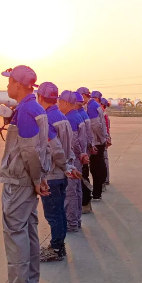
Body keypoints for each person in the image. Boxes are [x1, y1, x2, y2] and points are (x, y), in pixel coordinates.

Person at [0, 65, 49, 283]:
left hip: (20, 182)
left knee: (15, 233)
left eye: (9, 81)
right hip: (29, 180)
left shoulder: (26, 109)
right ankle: (28, 282)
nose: (7, 85)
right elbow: (37, 149)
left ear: (18, 84)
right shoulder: (33, 107)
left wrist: (36, 181)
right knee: (28, 230)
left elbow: (29, 152)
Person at [36, 82, 81, 262]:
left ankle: (55, 248)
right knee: (60, 212)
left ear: (40, 97)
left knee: (53, 214)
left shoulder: (47, 120)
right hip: (61, 174)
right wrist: (68, 166)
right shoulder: (62, 117)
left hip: (53, 175)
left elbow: (56, 149)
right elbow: (67, 147)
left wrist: (63, 165)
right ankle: (59, 246)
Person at [59, 90, 89, 231]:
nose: (58, 104)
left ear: (66, 103)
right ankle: (76, 220)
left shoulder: (70, 119)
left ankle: (71, 223)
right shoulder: (77, 116)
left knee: (70, 191)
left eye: (60, 102)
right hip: (79, 158)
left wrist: (79, 153)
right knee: (76, 190)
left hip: (73, 159)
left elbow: (74, 142)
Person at [87, 90, 109, 201]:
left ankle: (96, 192)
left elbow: (96, 125)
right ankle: (99, 189)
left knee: (95, 168)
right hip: (99, 141)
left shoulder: (91, 106)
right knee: (100, 165)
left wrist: (101, 139)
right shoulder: (96, 106)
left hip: (96, 142)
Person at [76, 88, 93, 213]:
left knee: (82, 178)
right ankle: (86, 203)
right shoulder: (83, 113)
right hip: (85, 151)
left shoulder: (78, 115)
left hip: (81, 153)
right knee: (84, 177)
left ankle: (85, 203)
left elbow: (77, 139)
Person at [101, 97, 111, 188]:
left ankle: (104, 180)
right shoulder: (105, 115)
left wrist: (106, 138)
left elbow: (105, 129)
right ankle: (105, 179)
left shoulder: (103, 115)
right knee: (104, 159)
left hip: (103, 139)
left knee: (103, 160)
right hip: (105, 138)